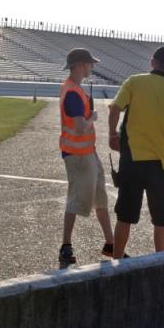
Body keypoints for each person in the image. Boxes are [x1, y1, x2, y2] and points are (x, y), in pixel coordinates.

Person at [107, 46, 164, 259]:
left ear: (152, 62)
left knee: (125, 217)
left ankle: (118, 262)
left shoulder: (134, 81)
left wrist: (112, 135)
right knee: (161, 220)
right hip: (163, 165)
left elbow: (115, 109)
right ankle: (160, 264)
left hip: (132, 160)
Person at [58, 48, 116, 265]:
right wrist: (92, 117)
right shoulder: (72, 92)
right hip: (78, 155)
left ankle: (110, 243)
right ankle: (66, 245)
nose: (92, 67)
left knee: (100, 196)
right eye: (90, 63)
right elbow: (81, 127)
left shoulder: (75, 89)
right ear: (81, 65)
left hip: (87, 153)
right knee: (76, 199)